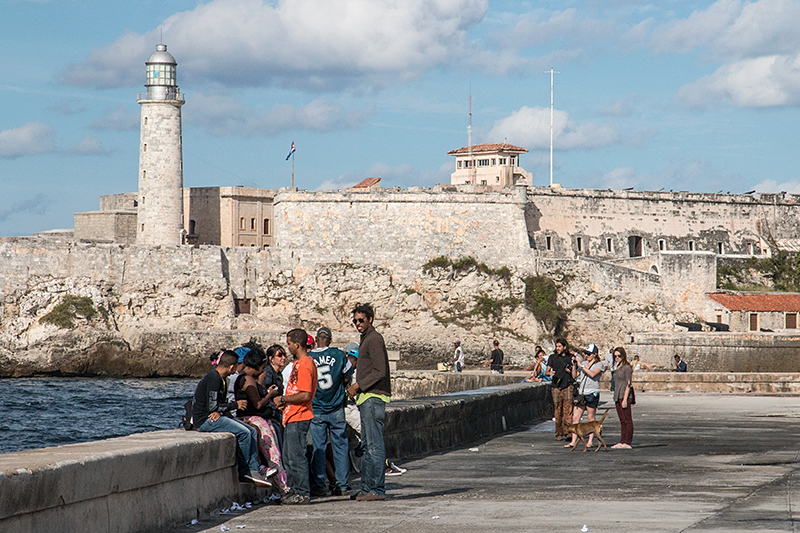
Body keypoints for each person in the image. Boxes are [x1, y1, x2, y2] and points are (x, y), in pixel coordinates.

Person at [192, 350, 271, 487]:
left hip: (216, 415)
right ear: (231, 366)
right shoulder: (214, 378)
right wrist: (235, 405)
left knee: (251, 430)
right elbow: (212, 406)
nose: (235, 371)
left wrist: (223, 412)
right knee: (244, 433)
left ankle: (254, 470)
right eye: (235, 367)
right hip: (205, 420)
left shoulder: (222, 380)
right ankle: (244, 471)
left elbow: (217, 405)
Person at [346, 303, 391, 501]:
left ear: (370, 319)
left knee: (374, 446)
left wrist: (357, 386)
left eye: (361, 320)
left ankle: (377, 489)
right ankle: (366, 488)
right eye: (355, 321)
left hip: (373, 397)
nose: (358, 324)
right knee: (367, 445)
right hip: (366, 398)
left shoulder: (373, 339)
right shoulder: (367, 339)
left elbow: (379, 371)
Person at [234, 349, 289, 495]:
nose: (264, 370)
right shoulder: (247, 379)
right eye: (262, 367)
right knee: (273, 454)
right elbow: (257, 404)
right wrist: (270, 394)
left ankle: (281, 486)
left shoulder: (249, 379)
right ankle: (284, 488)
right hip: (254, 418)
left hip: (259, 418)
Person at [309, 327, 354, 497]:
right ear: (330, 339)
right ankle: (342, 485)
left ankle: (320, 485)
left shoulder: (310, 358)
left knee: (318, 448)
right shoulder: (339, 354)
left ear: (316, 339)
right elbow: (347, 375)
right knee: (340, 446)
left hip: (317, 408)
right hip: (336, 407)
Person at [278, 329, 318, 505]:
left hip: (299, 415)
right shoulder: (297, 364)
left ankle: (302, 492)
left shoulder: (306, 364)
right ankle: (294, 490)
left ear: (297, 344)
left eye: (289, 343)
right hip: (291, 415)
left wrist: (284, 399)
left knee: (297, 456)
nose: (287, 347)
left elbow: (305, 394)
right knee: (288, 456)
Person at [566, 344, 604, 449]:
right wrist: (574, 365)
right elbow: (575, 376)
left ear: (595, 354)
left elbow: (592, 374)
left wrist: (582, 366)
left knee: (591, 418)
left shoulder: (599, 364)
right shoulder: (583, 363)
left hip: (592, 393)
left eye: (588, 354)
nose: (586, 355)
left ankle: (590, 441)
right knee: (575, 417)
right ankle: (573, 441)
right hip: (581, 393)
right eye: (585, 353)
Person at [546, 338, 575, 441]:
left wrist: (571, 370)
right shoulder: (552, 357)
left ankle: (568, 432)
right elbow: (547, 371)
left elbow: (575, 373)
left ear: (564, 347)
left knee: (568, 410)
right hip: (556, 386)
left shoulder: (570, 358)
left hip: (567, 385)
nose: (557, 348)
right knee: (558, 410)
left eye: (559, 346)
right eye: (556, 346)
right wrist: (550, 373)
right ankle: (558, 432)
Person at [262, 344, 287, 450]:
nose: (283, 358)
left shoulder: (278, 374)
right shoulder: (268, 374)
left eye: (284, 355)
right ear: (271, 358)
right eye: (280, 355)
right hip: (270, 413)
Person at [611, 346, 634, 449]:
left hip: (624, 395)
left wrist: (625, 399)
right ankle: (622, 441)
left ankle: (627, 442)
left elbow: (628, 383)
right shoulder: (617, 367)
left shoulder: (627, 367)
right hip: (617, 395)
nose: (617, 358)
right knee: (622, 420)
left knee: (627, 419)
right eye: (615, 356)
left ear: (623, 356)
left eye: (619, 356)